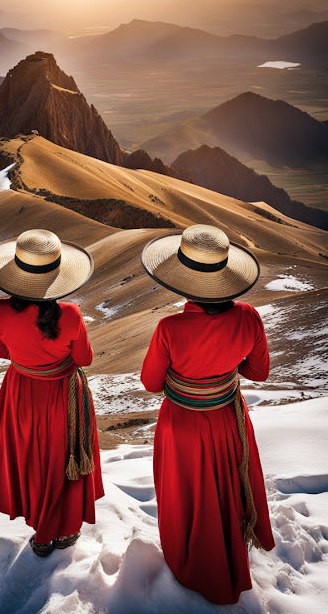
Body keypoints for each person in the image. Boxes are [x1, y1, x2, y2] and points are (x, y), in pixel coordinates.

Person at [140, 224, 275, 605]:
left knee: (188, 492)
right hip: (229, 419)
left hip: (182, 423)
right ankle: (233, 547)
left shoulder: (170, 328)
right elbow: (258, 372)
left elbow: (151, 383)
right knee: (228, 483)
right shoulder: (248, 317)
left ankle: (196, 560)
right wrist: (224, 369)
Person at [0, 229, 104, 557]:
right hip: (63, 391)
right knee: (62, 458)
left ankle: (42, 527)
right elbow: (84, 359)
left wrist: (27, 359)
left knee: (29, 458)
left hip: (21, 389)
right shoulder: (71, 315)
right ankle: (60, 529)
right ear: (57, 277)